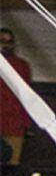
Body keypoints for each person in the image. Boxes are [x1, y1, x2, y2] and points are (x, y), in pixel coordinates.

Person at [0, 27, 32, 163]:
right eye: (2, 41)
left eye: (9, 41)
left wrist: (26, 123)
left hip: (14, 125)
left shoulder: (22, 66)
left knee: (11, 168)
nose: (6, 45)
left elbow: (27, 96)